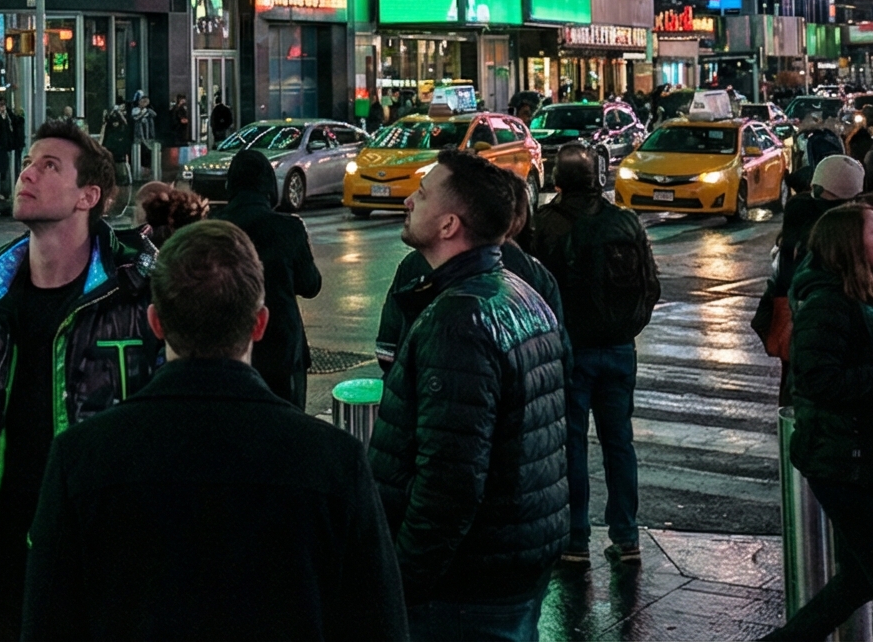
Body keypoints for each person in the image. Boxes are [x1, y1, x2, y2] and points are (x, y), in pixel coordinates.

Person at [22, 220, 406, 641]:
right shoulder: (332, 458)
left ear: (155, 323)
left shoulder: (82, 455)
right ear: (259, 324)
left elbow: (49, 621)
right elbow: (377, 623)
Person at [0, 122, 163, 638]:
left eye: (48, 166)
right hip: (4, 566)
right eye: (29, 162)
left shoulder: (137, 294)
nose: (26, 173)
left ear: (88, 196)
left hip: (102, 569)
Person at [369, 150, 567, 642]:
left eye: (425, 193)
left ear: (449, 224)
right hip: (514, 557)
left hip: (466, 583)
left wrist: (401, 579)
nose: (410, 199)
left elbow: (449, 482)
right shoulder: (519, 292)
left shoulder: (459, 319)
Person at [754, 203, 873, 642]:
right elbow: (822, 382)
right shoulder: (829, 303)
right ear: (850, 246)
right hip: (845, 461)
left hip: (868, 456)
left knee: (864, 578)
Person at [528, 147, 659, 564]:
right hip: (619, 347)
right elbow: (651, 286)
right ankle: (626, 535)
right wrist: (628, 326)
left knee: (572, 445)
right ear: (598, 178)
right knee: (619, 442)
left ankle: (576, 538)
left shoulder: (544, 225)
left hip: (572, 350)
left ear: (558, 181)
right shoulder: (623, 220)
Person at [219, 148, 321, 410]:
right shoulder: (288, 227)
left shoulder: (213, 227)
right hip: (282, 348)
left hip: (225, 345)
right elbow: (310, 285)